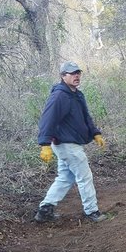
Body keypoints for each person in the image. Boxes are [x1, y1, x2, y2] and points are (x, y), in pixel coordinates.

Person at [34, 61, 106, 223]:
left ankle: (45, 209)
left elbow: (85, 116)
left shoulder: (76, 94)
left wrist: (95, 133)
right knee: (84, 177)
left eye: (78, 73)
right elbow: (47, 119)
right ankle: (92, 211)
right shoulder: (59, 96)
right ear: (62, 76)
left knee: (65, 177)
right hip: (67, 145)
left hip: (70, 144)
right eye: (72, 73)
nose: (76, 76)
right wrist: (45, 144)